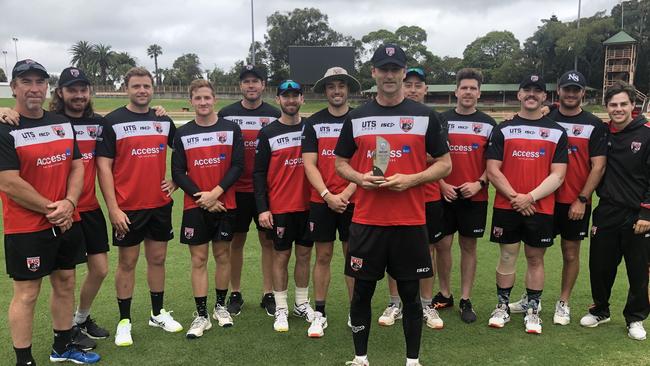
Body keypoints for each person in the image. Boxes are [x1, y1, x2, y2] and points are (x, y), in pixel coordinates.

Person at [335, 44, 451, 366]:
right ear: (373, 72)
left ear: (403, 72)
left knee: (412, 297)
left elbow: (445, 164)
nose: (389, 75)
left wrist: (411, 180)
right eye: (382, 68)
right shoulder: (357, 117)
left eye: (394, 69)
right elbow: (340, 163)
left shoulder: (425, 116)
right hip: (368, 221)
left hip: (410, 222)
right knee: (362, 294)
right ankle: (360, 358)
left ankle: (412, 361)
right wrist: (359, 178)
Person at [0, 59, 100, 365]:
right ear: (14, 87)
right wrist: (51, 208)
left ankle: (62, 347)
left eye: (39, 82)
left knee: (65, 282)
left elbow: (76, 166)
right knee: (27, 294)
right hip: (27, 226)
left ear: (47, 87)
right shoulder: (6, 127)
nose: (34, 88)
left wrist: (69, 202)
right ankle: (24, 360)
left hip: (66, 219)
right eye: (26, 82)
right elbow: (7, 181)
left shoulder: (61, 122)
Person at [508, 71, 607, 325]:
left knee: (570, 253)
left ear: (583, 93)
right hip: (542, 200)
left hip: (574, 202)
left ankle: (563, 302)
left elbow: (598, 166)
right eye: (567, 89)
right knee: (535, 254)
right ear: (558, 92)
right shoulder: (544, 117)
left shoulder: (594, 124)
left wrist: (582, 199)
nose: (571, 94)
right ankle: (533, 299)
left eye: (576, 90)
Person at [96, 67, 182, 347]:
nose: (142, 90)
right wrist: (113, 208)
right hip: (128, 208)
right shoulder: (113, 121)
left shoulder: (163, 120)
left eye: (146, 86)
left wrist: (176, 182)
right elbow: (104, 167)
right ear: (126, 88)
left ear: (152, 88)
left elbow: (185, 150)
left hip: (159, 204)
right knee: (128, 263)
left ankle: (157, 313)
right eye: (136, 86)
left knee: (157, 260)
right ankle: (125, 321)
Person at [486, 74, 568, 334]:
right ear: (519, 95)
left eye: (537, 91)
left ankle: (533, 309)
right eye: (527, 90)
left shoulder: (556, 132)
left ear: (545, 97)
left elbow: (558, 174)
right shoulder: (503, 129)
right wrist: (515, 197)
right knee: (507, 255)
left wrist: (529, 197)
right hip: (507, 205)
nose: (532, 94)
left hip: (539, 207)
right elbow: (493, 170)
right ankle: (502, 307)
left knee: (535, 258)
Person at [172, 79, 244, 338]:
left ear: (215, 99)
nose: (203, 102)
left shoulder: (231, 129)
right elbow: (178, 172)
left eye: (207, 98)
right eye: (198, 98)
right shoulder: (183, 133)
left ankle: (220, 308)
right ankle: (201, 315)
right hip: (196, 205)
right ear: (191, 101)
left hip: (225, 203)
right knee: (199, 259)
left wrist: (216, 193)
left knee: (223, 256)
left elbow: (237, 165)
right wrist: (202, 197)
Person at [579, 81, 650, 341]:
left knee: (638, 270)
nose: (618, 109)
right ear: (606, 107)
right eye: (613, 104)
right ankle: (600, 310)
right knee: (600, 267)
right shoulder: (602, 131)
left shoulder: (647, 133)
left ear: (633, 105)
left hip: (637, 215)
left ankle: (636, 317)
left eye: (623, 104)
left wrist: (647, 214)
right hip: (607, 210)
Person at [379, 67, 444, 330]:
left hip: (427, 196)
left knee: (427, 251)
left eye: (419, 85)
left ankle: (426, 303)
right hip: (392, 195)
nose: (414, 89)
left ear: (426, 90)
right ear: (402, 86)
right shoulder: (386, 115)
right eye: (410, 85)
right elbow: (380, 153)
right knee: (393, 250)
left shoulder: (433, 117)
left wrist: (407, 156)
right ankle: (395, 303)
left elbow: (440, 158)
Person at [218, 65, 281, 316]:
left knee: (268, 243)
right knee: (236, 242)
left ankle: (268, 293)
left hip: (266, 191)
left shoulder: (275, 114)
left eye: (256, 81)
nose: (251, 85)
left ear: (263, 85)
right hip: (236, 190)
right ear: (240, 86)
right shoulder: (227, 114)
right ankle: (236, 292)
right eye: (247, 82)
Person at [302, 67, 359, 337]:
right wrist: (327, 195)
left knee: (353, 258)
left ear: (348, 89)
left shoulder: (360, 119)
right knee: (322, 256)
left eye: (341, 86)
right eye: (331, 87)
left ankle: (355, 311)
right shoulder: (313, 122)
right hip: (322, 200)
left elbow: (365, 163)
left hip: (354, 201)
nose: (337, 91)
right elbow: (309, 164)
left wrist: (346, 195)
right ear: (325, 91)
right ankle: (320, 313)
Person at [254, 80, 314, 332]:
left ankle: (301, 303)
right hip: (279, 207)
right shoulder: (267, 133)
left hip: (309, 205)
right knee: (281, 256)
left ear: (302, 99)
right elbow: (258, 174)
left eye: (295, 96)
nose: (290, 101)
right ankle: (281, 308)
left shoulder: (311, 129)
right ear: (278, 99)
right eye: (285, 96)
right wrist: (262, 208)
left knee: (304, 255)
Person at [437, 68, 496, 323]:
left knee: (468, 246)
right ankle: (445, 293)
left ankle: (465, 298)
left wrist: (480, 183)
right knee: (442, 245)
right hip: (445, 194)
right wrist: (441, 184)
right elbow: (431, 158)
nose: (468, 92)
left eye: (473, 88)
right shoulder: (440, 120)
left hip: (475, 196)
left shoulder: (489, 124)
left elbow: (494, 163)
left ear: (479, 93)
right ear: (456, 91)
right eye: (464, 88)